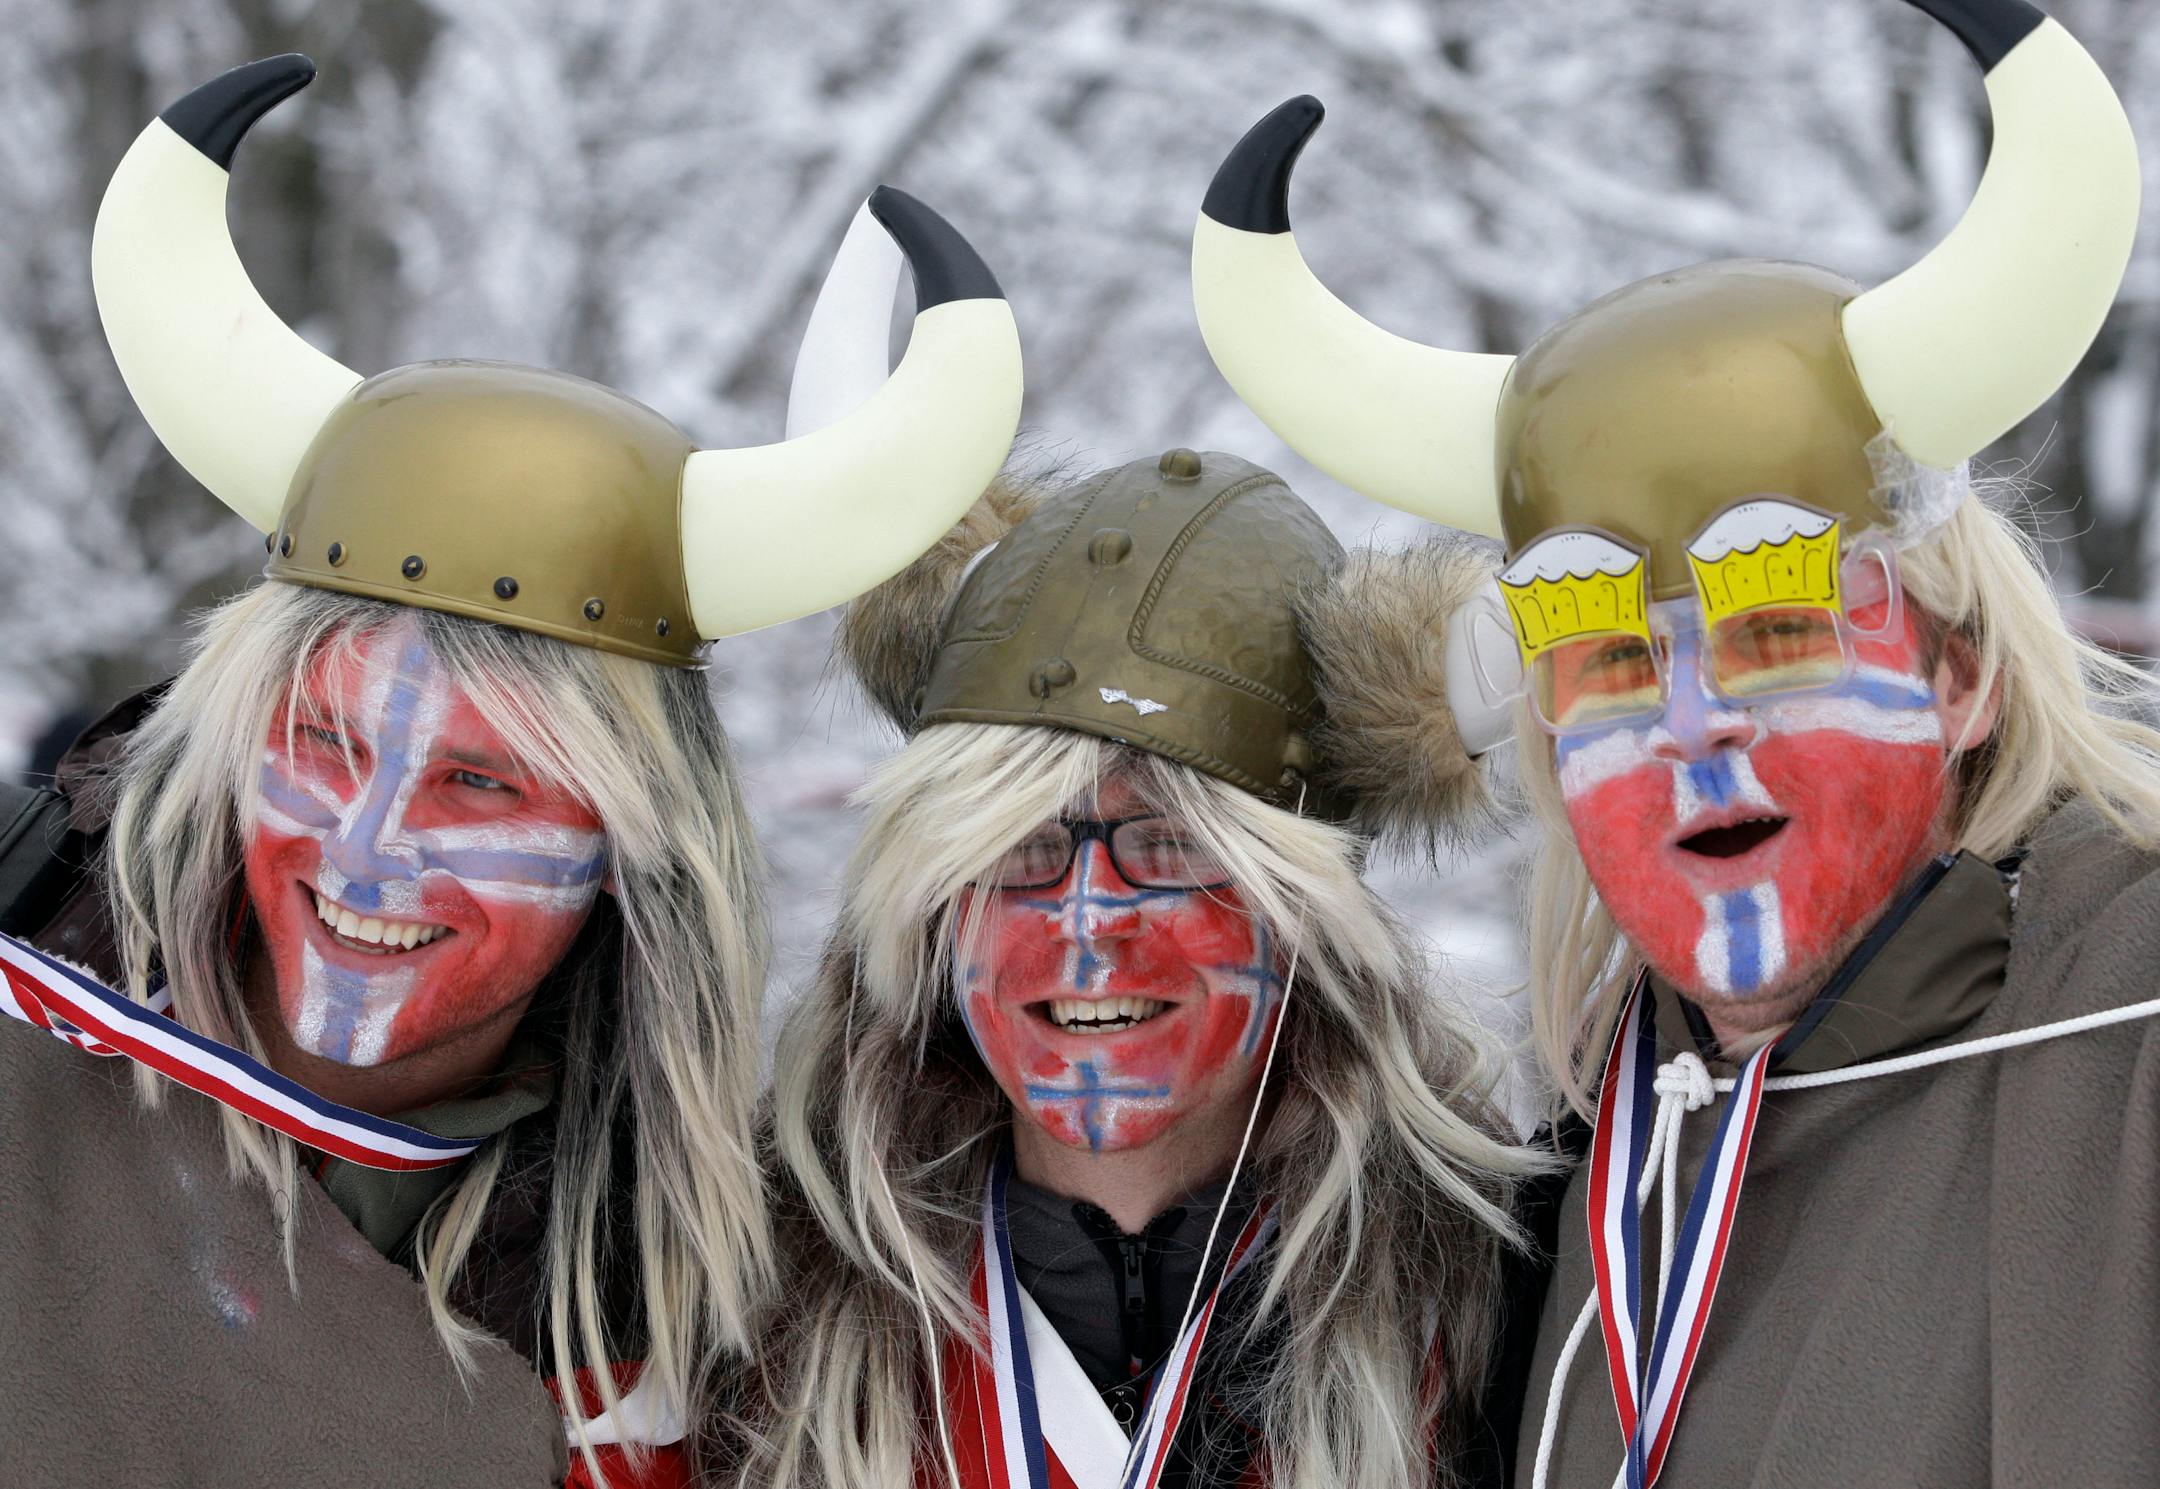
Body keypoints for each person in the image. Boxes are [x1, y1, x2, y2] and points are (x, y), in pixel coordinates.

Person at [0, 53, 1020, 1489]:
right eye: (324, 743)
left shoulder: (671, 1302)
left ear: (632, 850)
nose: (365, 852)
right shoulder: (26, 1006)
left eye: (483, 787)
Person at [1189, 1, 2160, 1484]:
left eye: (1776, 631)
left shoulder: (2130, 1031)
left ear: (1958, 676)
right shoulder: (1586, 1165)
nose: (1695, 729)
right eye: (1609, 662)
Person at [702, 448, 1537, 1489]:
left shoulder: (1503, 1301)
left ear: (1306, 914)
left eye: (1172, 845)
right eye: (1020, 848)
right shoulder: (742, 1290)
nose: (1087, 921)